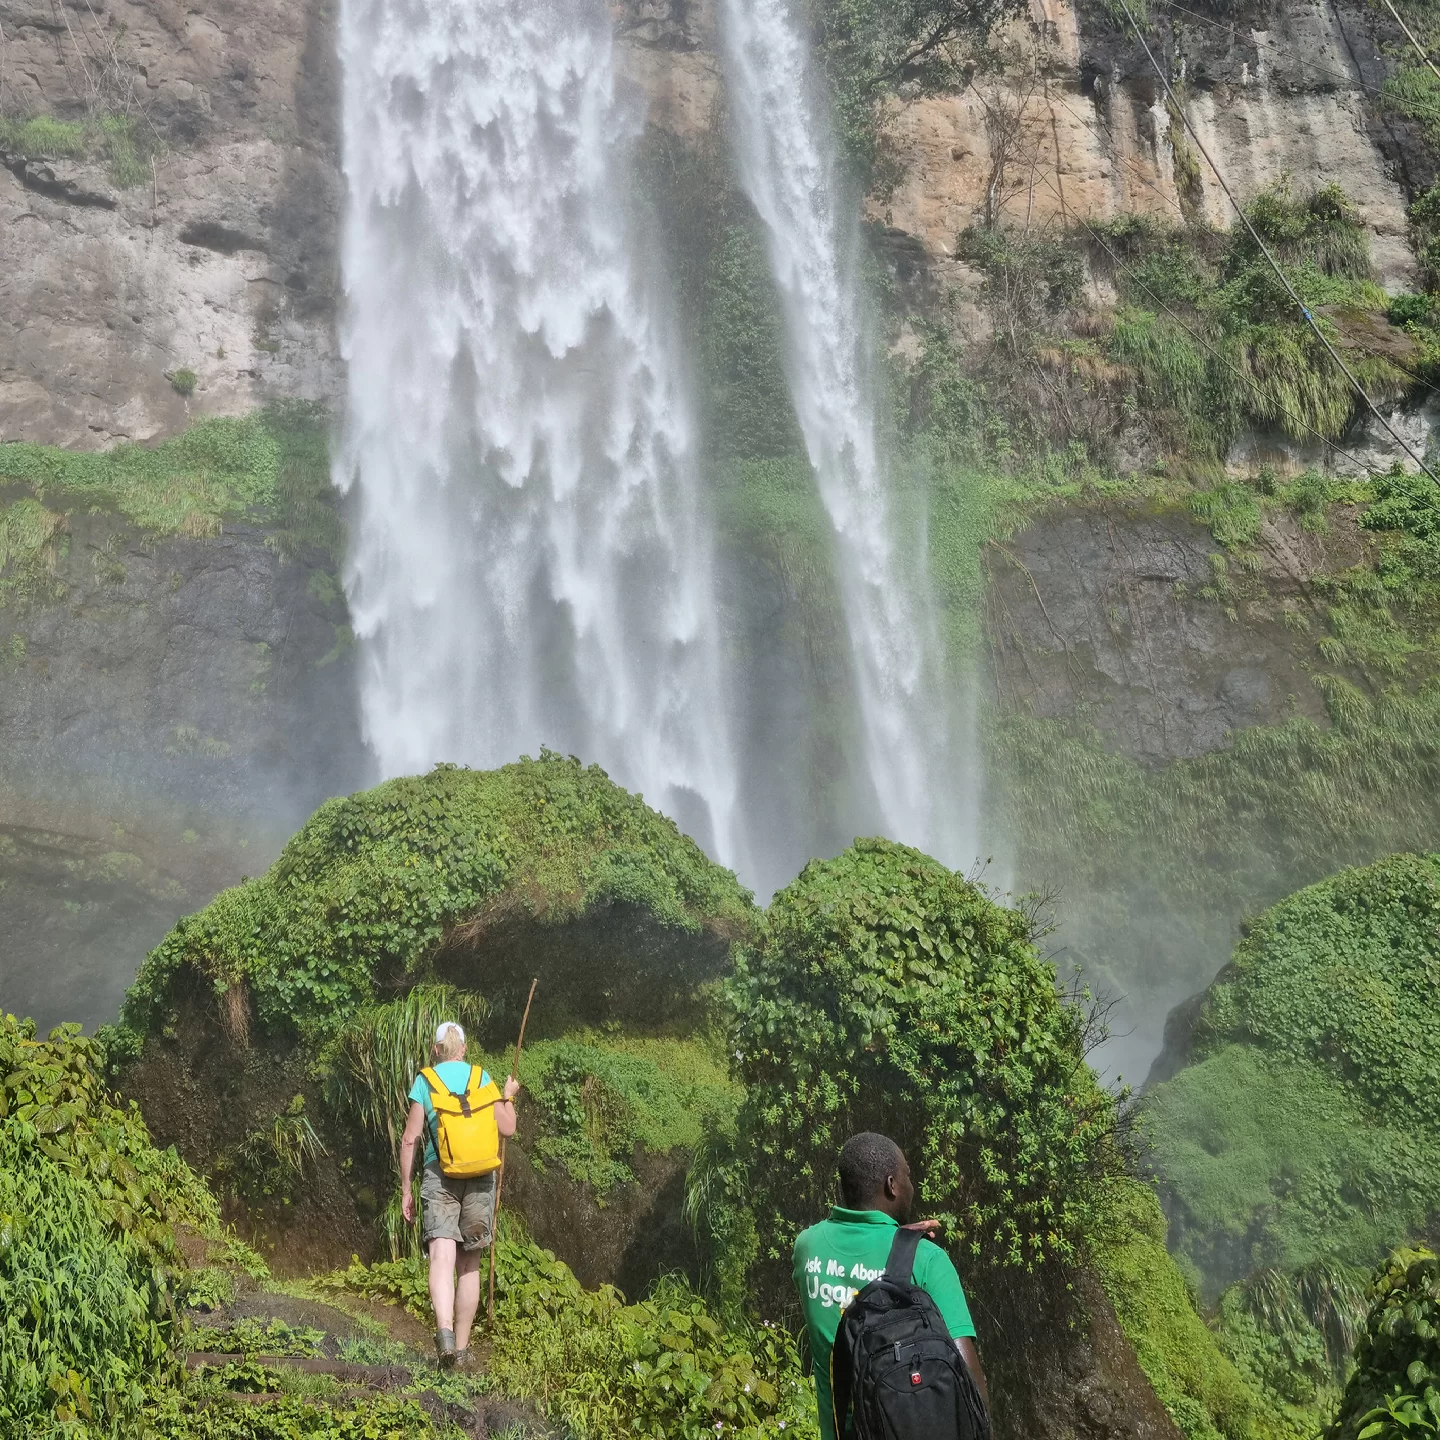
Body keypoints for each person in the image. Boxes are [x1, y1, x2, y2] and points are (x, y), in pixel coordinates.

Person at [792, 1132, 988, 1440]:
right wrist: (907, 1248)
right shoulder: (928, 1260)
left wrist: (898, 1239)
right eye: (907, 1176)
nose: (913, 1186)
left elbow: (857, 1261)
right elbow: (968, 1380)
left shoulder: (808, 1248)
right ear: (891, 1185)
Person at [399, 1020, 520, 1367]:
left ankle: (445, 1336)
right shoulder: (482, 1078)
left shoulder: (426, 1081)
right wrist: (507, 1096)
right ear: (464, 1049)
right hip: (481, 1176)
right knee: (469, 1266)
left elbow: (410, 1138)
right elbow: (508, 1128)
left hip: (440, 1174)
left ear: (436, 1050)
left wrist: (407, 1188)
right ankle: (464, 1352)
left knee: (441, 1257)